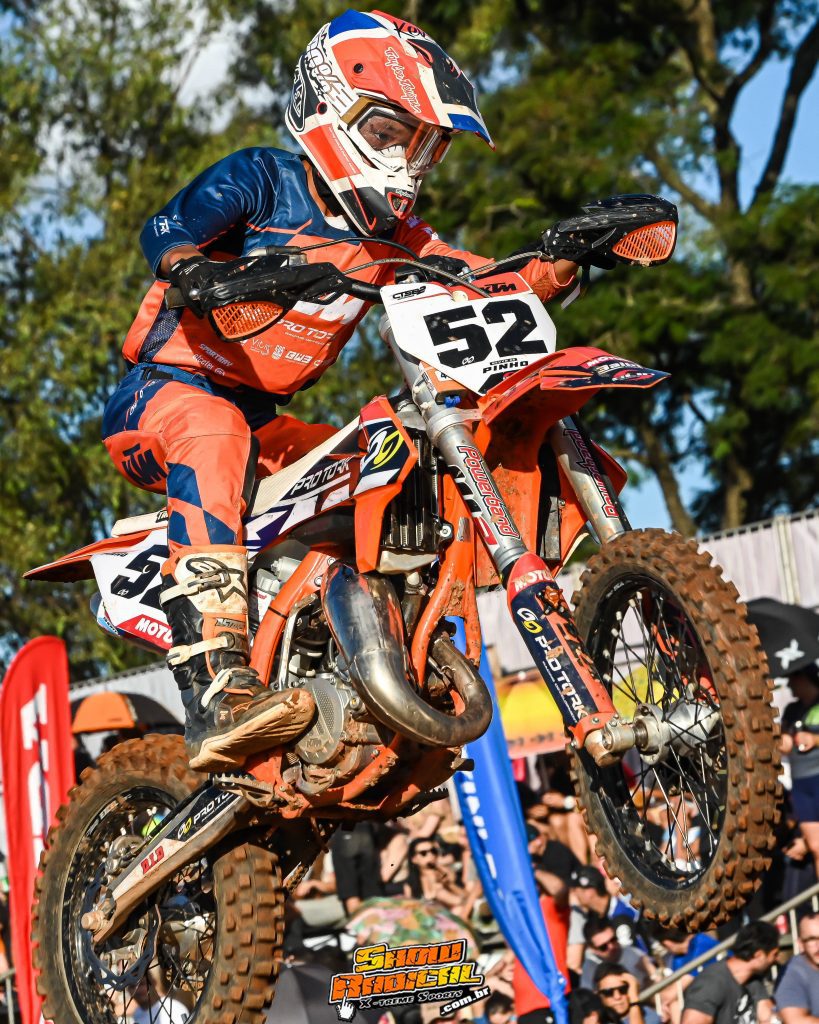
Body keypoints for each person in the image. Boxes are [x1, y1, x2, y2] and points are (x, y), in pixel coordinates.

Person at [102, 8, 578, 771]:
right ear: (332, 108)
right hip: (162, 394)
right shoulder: (264, 179)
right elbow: (165, 228)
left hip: (266, 423)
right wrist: (198, 272)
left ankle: (361, 665)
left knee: (376, 461)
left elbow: (474, 279)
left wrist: (558, 262)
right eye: (391, 134)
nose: (407, 163)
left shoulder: (393, 238)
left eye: (424, 146)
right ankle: (216, 685)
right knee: (215, 431)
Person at [681, 921, 779, 1024]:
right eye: (775, 954)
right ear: (759, 955)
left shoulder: (752, 979)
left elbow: (767, 1016)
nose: (777, 959)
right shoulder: (711, 983)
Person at [781, 665, 819, 878]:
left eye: (792, 679)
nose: (788, 684)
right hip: (801, 783)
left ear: (803, 678)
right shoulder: (791, 710)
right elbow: (785, 743)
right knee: (815, 847)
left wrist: (814, 739)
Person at [568, 866, 641, 974]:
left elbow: (629, 958)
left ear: (590, 891)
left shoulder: (619, 917)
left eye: (575, 890)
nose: (573, 894)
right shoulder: (601, 916)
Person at [579, 918, 655, 991]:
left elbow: (656, 978)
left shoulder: (632, 953)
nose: (611, 947)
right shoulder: (590, 969)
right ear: (592, 949)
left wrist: (650, 975)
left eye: (613, 940)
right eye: (603, 947)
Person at [775, 911, 819, 1024]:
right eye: (812, 939)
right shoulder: (792, 972)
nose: (818, 945)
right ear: (801, 944)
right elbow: (795, 1020)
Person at [593, 964, 659, 1024]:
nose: (617, 997)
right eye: (608, 992)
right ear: (598, 995)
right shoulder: (593, 1019)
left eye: (623, 989)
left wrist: (634, 1001)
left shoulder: (648, 1015)